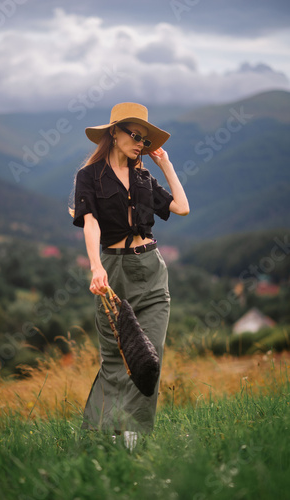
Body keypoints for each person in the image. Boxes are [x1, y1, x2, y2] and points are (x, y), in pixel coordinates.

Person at [71, 102, 189, 445]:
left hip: (150, 270)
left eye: (145, 139)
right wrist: (95, 267)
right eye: (135, 135)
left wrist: (165, 165)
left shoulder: (143, 176)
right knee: (115, 358)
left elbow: (181, 208)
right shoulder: (88, 177)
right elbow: (89, 224)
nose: (141, 143)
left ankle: (132, 440)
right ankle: (104, 436)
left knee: (148, 359)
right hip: (112, 270)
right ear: (114, 133)